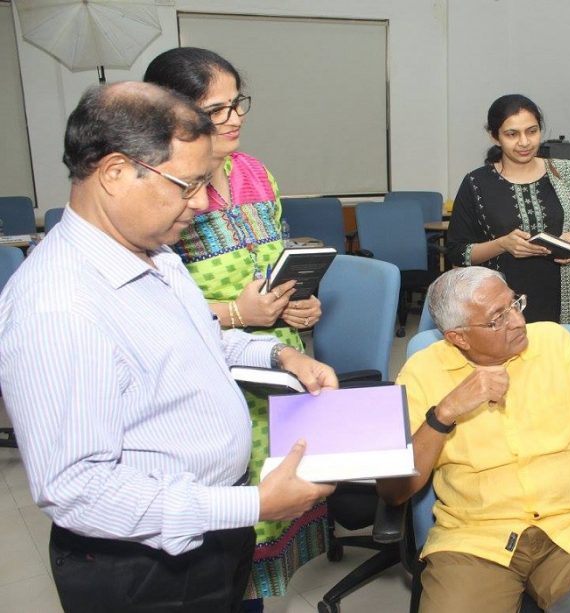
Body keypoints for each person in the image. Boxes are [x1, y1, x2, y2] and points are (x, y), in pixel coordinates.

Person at [0, 82, 337, 613]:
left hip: (209, 528)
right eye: (188, 185)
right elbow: (77, 488)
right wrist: (255, 501)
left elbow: (197, 340)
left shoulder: (153, 253)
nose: (201, 204)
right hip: (144, 563)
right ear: (114, 173)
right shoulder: (58, 306)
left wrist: (280, 355)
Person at [377, 267, 570, 613]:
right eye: (496, 319)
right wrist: (444, 413)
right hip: (473, 542)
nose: (517, 321)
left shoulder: (556, 344)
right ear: (458, 337)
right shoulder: (421, 370)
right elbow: (393, 492)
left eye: (514, 304)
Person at [144, 47, 328, 603]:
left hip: (279, 361)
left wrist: (299, 305)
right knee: (228, 520)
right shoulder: (161, 190)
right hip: (209, 375)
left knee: (279, 496)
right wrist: (235, 315)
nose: (234, 119)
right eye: (215, 109)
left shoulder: (255, 173)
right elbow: (146, 315)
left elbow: (273, 267)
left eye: (237, 104)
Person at [446, 94, 570, 324]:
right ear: (494, 137)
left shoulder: (564, 173)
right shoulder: (476, 183)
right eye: (512, 134)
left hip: (561, 299)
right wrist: (502, 244)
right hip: (499, 301)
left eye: (532, 131)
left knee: (557, 357)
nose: (524, 142)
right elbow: (457, 251)